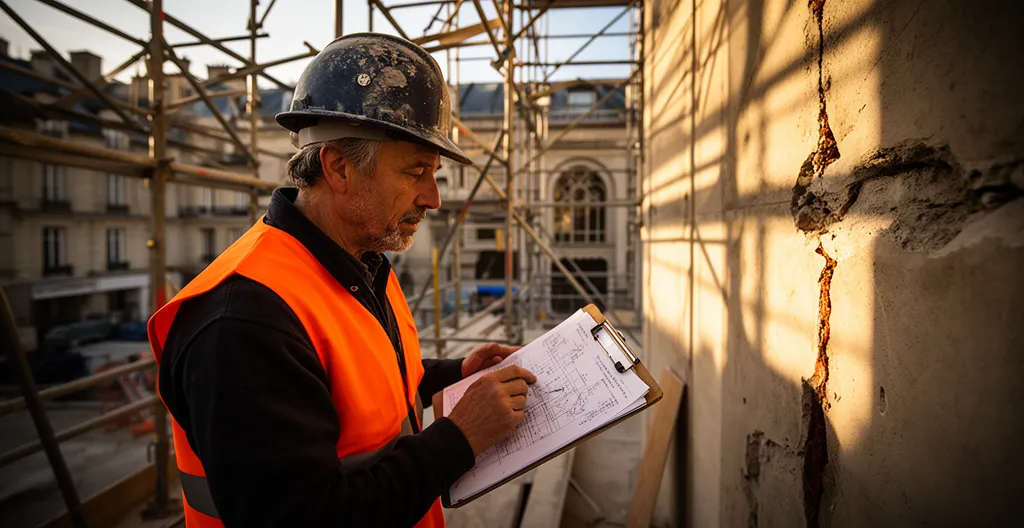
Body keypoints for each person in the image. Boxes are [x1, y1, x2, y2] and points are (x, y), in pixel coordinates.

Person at [146, 33, 536, 528]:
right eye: (416, 171)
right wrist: (459, 436)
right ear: (338, 167)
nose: (432, 197)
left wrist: (453, 374)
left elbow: (359, 388)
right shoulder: (243, 323)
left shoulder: (360, 263)